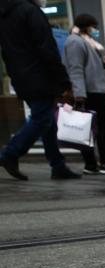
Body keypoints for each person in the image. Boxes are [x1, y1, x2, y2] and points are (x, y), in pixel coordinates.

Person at [0, 0, 81, 181]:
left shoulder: (6, 14)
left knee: (48, 121)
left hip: (21, 76)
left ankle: (57, 164)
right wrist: (63, 80)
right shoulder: (31, 12)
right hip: (39, 75)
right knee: (42, 118)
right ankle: (10, 153)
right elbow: (47, 48)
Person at [65, 14, 105, 175]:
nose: (95, 30)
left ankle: (92, 164)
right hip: (88, 92)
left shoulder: (86, 42)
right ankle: (103, 162)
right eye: (93, 26)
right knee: (98, 128)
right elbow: (76, 69)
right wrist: (79, 94)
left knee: (93, 129)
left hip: (95, 90)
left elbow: (90, 67)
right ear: (86, 26)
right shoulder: (75, 42)